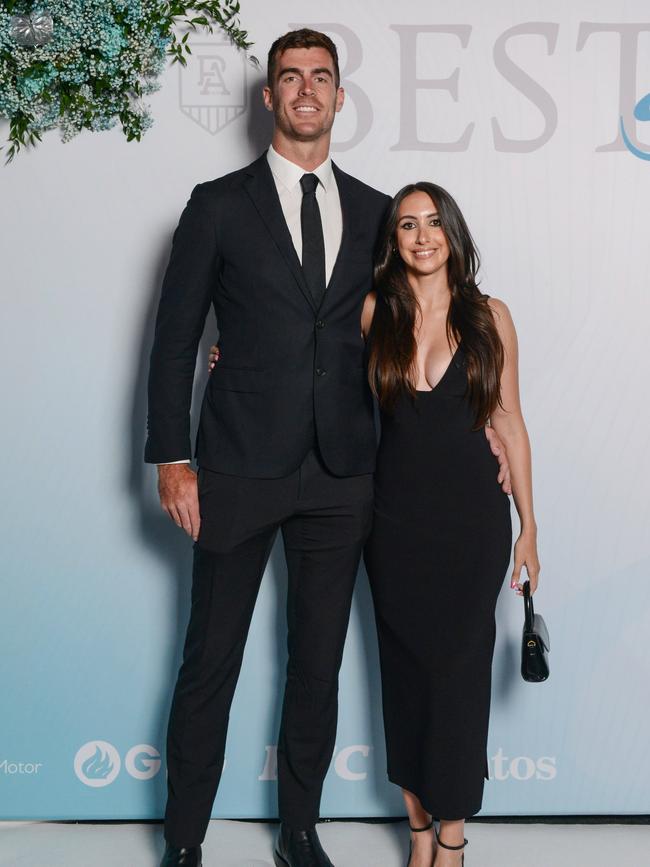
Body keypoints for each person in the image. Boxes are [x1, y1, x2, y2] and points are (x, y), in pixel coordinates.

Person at [149, 27, 509, 867]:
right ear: (269, 97)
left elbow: (431, 316)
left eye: (321, 77)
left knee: (317, 668)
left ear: (340, 97)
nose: (306, 89)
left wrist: (484, 420)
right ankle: (185, 843)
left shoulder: (384, 212)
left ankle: (300, 832)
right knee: (211, 662)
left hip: (347, 474)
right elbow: (174, 339)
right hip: (236, 467)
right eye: (289, 78)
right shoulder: (216, 205)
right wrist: (172, 457)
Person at [362, 182, 540, 867]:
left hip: (471, 524)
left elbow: (510, 422)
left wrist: (529, 525)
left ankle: (454, 838)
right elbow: (309, 369)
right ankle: (416, 833)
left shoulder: (491, 315)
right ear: (394, 240)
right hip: (393, 524)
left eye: (433, 222)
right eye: (407, 224)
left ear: (452, 232)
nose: (421, 235)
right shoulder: (373, 312)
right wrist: (232, 359)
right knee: (403, 673)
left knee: (462, 675)